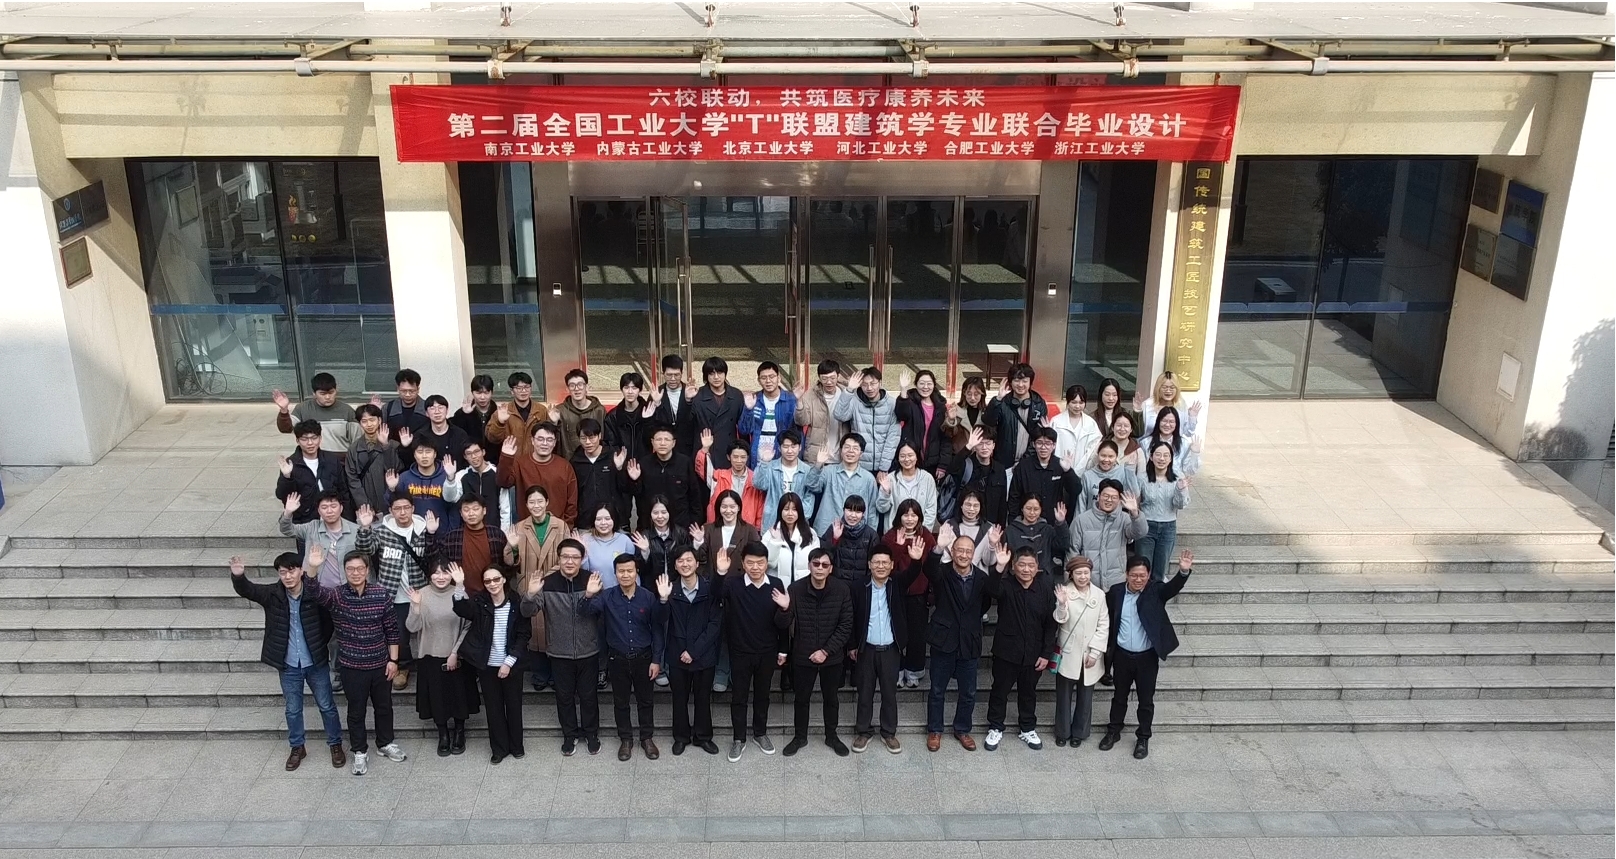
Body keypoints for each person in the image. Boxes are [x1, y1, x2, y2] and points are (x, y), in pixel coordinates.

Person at [229, 552, 344, 771]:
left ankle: (335, 744)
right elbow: (248, 590)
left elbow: (329, 622)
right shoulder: (272, 595)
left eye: (292, 571)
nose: (288, 576)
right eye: (283, 572)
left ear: (301, 571)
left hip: (315, 661)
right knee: (292, 709)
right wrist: (239, 576)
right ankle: (297, 747)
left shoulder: (314, 594)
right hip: (289, 663)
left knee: (327, 705)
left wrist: (319, 643)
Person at [303, 546, 406, 776]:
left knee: (384, 707)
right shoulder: (337, 596)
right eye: (351, 569)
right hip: (351, 666)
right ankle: (359, 750)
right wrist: (313, 567)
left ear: (367, 570)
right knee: (356, 711)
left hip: (380, 664)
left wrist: (394, 660)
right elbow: (313, 591)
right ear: (345, 571)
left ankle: (385, 743)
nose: (356, 573)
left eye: (360, 568)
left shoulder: (381, 594)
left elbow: (392, 629)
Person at [1101, 552, 1193, 760]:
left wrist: (1183, 572)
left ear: (1149, 575)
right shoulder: (1116, 592)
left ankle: (1143, 737)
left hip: (1146, 657)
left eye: (1142, 575)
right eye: (1134, 575)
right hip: (1122, 655)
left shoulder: (1155, 591)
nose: (1138, 579)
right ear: (1126, 574)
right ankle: (1113, 731)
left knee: (1146, 700)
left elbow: (1172, 588)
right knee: (1119, 697)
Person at [583, 553, 668, 761]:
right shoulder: (607, 596)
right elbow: (585, 612)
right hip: (617, 659)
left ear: (636, 571)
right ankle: (626, 739)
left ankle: (646, 738)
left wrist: (656, 660)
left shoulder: (648, 597)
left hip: (644, 658)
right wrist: (588, 595)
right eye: (621, 571)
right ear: (615, 573)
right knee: (620, 702)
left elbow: (658, 628)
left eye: (630, 570)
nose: (625, 574)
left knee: (646, 701)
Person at [451, 563, 538, 764]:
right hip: (487, 664)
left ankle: (516, 746)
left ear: (504, 579)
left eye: (496, 579)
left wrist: (509, 662)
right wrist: (460, 585)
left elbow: (523, 634)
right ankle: (499, 749)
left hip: (511, 663)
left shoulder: (516, 602)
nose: (492, 584)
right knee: (493, 707)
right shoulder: (480, 601)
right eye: (488, 581)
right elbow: (462, 609)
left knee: (514, 706)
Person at [849, 541, 925, 753]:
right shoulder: (859, 586)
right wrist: (852, 645)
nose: (880, 566)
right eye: (876, 562)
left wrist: (916, 559)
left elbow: (913, 573)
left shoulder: (897, 583)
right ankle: (863, 731)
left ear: (892, 565)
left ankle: (888, 732)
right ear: (869, 565)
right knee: (865, 693)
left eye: (885, 562)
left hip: (891, 649)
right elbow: (852, 617)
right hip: (866, 648)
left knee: (889, 694)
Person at [982, 545, 1058, 752]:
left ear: (1037, 567)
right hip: (1006, 651)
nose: (1026, 569)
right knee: (1000, 691)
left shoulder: (1045, 588)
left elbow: (1050, 624)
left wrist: (1046, 653)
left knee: (1028, 692)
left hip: (1034, 653)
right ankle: (995, 727)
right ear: (1014, 566)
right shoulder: (1005, 585)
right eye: (1021, 565)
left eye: (1030, 565)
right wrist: (999, 566)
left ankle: (1027, 728)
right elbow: (991, 590)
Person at [721, 541, 792, 762]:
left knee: (763, 695)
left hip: (767, 651)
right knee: (739, 697)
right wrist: (720, 573)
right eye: (750, 563)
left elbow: (783, 623)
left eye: (760, 563)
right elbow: (714, 595)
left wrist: (785, 609)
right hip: (740, 651)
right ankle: (738, 738)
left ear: (766, 563)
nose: (755, 567)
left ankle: (760, 733)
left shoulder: (776, 584)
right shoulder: (732, 584)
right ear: (743, 563)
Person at [534, 539, 602, 755]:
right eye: (565, 557)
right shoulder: (547, 583)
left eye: (575, 557)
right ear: (559, 558)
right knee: (564, 697)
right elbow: (528, 611)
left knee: (589, 696)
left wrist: (589, 595)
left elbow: (597, 611)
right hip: (559, 651)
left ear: (582, 559)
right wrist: (530, 594)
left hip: (588, 650)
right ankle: (569, 735)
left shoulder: (591, 580)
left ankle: (591, 734)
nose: (570, 561)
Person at [784, 547, 854, 757]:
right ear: (809, 566)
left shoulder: (841, 590)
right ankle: (800, 737)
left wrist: (825, 651)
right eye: (816, 564)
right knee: (801, 699)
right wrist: (784, 609)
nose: (820, 568)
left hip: (832, 656)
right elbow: (782, 624)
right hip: (803, 655)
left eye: (825, 565)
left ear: (831, 568)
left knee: (831, 698)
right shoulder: (795, 589)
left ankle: (831, 736)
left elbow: (846, 625)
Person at [926, 535, 991, 752]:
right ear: (952, 552)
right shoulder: (942, 573)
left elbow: (985, 604)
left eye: (968, 551)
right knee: (937, 690)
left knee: (969, 692)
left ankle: (962, 729)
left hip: (969, 641)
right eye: (959, 550)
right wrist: (938, 547)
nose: (963, 555)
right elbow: (929, 570)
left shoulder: (981, 578)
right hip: (943, 640)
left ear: (973, 554)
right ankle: (935, 730)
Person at [403, 561, 475, 757]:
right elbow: (412, 627)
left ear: (452, 575)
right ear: (429, 575)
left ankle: (459, 732)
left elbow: (468, 626)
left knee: (459, 696)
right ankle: (443, 734)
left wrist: (455, 652)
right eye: (436, 573)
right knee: (436, 698)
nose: (440, 577)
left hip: (456, 655)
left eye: (445, 573)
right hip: (430, 655)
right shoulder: (421, 594)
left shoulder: (459, 593)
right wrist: (415, 606)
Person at [502, 485, 567, 692]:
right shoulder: (520, 527)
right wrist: (512, 546)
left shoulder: (561, 526)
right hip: (527, 585)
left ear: (547, 502)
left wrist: (547, 576)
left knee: (554, 627)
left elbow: (567, 557)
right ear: (526, 504)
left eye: (540, 501)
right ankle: (540, 673)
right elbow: (509, 561)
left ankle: (556, 673)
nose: (536, 505)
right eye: (532, 502)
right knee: (534, 629)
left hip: (554, 584)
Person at [364, 492, 431, 691]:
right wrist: (365, 527)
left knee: (427, 631)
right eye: (397, 509)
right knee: (399, 635)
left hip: (421, 590)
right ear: (391, 511)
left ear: (413, 508)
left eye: (406, 508)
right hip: (394, 594)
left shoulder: (424, 530)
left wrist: (433, 534)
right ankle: (402, 667)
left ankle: (428, 666)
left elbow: (433, 556)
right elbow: (365, 549)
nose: (402, 512)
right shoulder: (383, 531)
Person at [660, 546, 722, 755]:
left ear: (697, 564)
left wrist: (694, 651)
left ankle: (703, 737)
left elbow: (715, 624)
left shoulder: (710, 589)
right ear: (675, 565)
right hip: (677, 654)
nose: (685, 564)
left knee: (703, 698)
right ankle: (681, 737)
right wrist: (662, 600)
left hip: (704, 654)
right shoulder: (669, 589)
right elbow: (660, 621)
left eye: (689, 560)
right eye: (680, 561)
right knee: (679, 698)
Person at [1052, 555, 1109, 748]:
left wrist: (1095, 652)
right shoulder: (1064, 591)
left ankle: (1080, 732)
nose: (1083, 577)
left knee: (1086, 697)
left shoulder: (1099, 595)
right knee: (1063, 696)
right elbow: (1060, 619)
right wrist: (1061, 604)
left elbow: (1103, 624)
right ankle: (1062, 732)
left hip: (1089, 653)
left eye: (1086, 573)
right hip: (1069, 652)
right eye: (1078, 573)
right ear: (1071, 575)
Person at [882, 500, 935, 689]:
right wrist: (897, 547)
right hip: (895, 594)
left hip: (919, 594)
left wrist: (930, 592)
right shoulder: (890, 536)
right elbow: (885, 567)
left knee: (917, 636)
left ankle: (914, 671)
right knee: (895, 633)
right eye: (906, 514)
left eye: (914, 515)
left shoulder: (926, 536)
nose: (910, 519)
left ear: (919, 517)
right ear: (899, 516)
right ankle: (896, 670)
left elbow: (932, 566)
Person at [279, 489, 373, 589]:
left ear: (341, 508)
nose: (329, 511)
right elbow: (287, 530)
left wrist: (366, 527)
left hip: (349, 589)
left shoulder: (356, 530)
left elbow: (368, 553)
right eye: (324, 507)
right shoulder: (312, 527)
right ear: (319, 511)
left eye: (333, 506)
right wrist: (288, 512)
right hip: (319, 589)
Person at [1069, 479, 1149, 591]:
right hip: (1088, 582)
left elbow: (1140, 532)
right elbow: (1072, 551)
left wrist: (1135, 513)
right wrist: (1071, 582)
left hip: (1116, 581)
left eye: (1114, 497)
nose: (1109, 500)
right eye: (1106, 496)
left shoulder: (1124, 518)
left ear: (1120, 500)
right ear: (1098, 496)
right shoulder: (1081, 520)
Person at [627, 424, 705, 532]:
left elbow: (695, 497)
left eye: (667, 439)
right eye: (658, 439)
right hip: (650, 525)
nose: (662, 443)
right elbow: (637, 495)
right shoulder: (644, 464)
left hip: (681, 525)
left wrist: (695, 524)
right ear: (652, 442)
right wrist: (635, 480)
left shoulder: (684, 463)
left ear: (673, 443)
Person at [497, 422, 578, 526]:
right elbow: (503, 482)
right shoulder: (520, 463)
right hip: (527, 527)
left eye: (549, 440)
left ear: (554, 443)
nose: (545, 443)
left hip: (557, 527)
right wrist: (506, 458)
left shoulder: (564, 466)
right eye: (540, 439)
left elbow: (572, 502)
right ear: (532, 440)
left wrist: (566, 526)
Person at [425, 495, 507, 595]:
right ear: (461, 513)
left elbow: (507, 566)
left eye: (475, 509)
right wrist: (431, 533)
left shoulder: (497, 535)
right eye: (466, 510)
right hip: (461, 593)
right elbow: (434, 560)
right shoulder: (452, 537)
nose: (471, 513)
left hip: (492, 592)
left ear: (484, 511)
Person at [1137, 441, 1191, 584]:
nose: (1162, 459)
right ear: (1151, 457)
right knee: (1143, 568)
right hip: (1146, 525)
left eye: (1166, 455)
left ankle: (1157, 596)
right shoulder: (1142, 477)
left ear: (1171, 458)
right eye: (1158, 455)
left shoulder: (1178, 477)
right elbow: (1136, 503)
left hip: (1168, 526)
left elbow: (1180, 505)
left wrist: (1180, 490)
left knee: (1160, 571)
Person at [812, 432, 888, 534]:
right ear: (841, 451)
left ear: (861, 454)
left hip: (857, 534)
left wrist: (870, 534)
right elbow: (812, 486)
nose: (850, 451)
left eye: (855, 448)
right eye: (847, 447)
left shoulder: (868, 478)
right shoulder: (828, 471)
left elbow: (872, 511)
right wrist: (818, 465)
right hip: (827, 529)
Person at [275, 420, 349, 524]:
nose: (310, 443)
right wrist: (287, 477)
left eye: (314, 438)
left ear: (320, 438)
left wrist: (347, 518)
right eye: (304, 439)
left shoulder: (332, 460)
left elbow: (343, 490)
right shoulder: (291, 464)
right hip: (304, 521)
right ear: (297, 440)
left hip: (332, 517)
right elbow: (281, 495)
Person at [833, 367, 900, 477]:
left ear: (880, 383)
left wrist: (884, 467)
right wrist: (849, 390)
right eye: (864, 384)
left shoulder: (891, 404)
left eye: (873, 384)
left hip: (885, 466)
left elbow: (893, 437)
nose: (869, 388)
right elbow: (840, 415)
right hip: (859, 465)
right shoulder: (855, 400)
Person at [1007, 426, 1078, 527]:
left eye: (1048, 443)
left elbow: (1076, 490)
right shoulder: (1023, 466)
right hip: (1028, 521)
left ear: (1054, 445)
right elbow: (1014, 496)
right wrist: (1014, 523)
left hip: (1053, 521)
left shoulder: (1060, 465)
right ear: (1034, 444)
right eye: (1039, 443)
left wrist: (1068, 471)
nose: (1043, 447)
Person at [273, 373, 360, 453]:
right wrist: (284, 410)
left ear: (336, 390)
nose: (328, 397)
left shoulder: (347, 411)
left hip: (340, 459)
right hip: (312, 458)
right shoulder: (302, 409)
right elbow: (286, 429)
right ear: (314, 393)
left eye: (331, 392)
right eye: (323, 393)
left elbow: (358, 440)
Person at [754, 428, 822, 530]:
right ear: (779, 448)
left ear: (800, 447)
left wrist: (795, 515)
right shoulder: (771, 467)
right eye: (785, 446)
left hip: (798, 524)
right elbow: (759, 484)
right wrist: (764, 462)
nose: (789, 451)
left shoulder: (807, 471)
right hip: (773, 522)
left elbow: (809, 500)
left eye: (793, 446)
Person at [983, 363, 1048, 469]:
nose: (1020, 385)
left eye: (1025, 381)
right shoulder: (1002, 402)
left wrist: (1024, 461)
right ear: (1010, 382)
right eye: (1016, 380)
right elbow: (988, 422)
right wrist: (998, 400)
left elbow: (1039, 436)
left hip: (1029, 463)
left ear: (1030, 382)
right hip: (1003, 462)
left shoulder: (1039, 404)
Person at [738, 361, 797, 467]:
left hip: (782, 454)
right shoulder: (754, 399)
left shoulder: (791, 399)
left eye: (772, 377)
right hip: (758, 455)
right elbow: (744, 430)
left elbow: (797, 431)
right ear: (759, 380)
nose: (768, 381)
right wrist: (748, 410)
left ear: (779, 378)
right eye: (764, 378)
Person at [697, 437, 765, 528]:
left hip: (746, 529)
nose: (739, 461)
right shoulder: (719, 476)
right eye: (735, 457)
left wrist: (757, 530)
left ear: (748, 458)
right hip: (720, 527)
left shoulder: (755, 480)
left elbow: (760, 508)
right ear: (728, 457)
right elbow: (703, 469)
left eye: (743, 457)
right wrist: (705, 449)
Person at [445, 439, 513, 531]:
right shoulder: (461, 475)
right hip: (468, 530)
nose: (473, 456)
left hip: (494, 530)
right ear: (465, 457)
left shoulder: (497, 474)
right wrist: (450, 479)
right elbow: (450, 498)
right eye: (469, 454)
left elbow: (505, 508)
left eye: (476, 452)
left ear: (483, 452)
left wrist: (504, 534)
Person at [346, 404, 401, 515]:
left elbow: (395, 469)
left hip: (390, 503)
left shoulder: (393, 445)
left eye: (372, 420)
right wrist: (364, 505)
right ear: (360, 423)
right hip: (366, 507)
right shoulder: (354, 449)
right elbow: (352, 479)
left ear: (379, 420)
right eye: (364, 421)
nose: (369, 424)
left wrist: (385, 446)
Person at [795, 359, 851, 465]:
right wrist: (799, 402)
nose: (829, 382)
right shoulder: (810, 395)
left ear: (838, 376)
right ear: (819, 378)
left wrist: (847, 383)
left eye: (832, 378)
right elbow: (802, 421)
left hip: (841, 457)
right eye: (824, 378)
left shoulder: (846, 394)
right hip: (816, 456)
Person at [485, 371, 552, 459]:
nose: (523, 391)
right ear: (512, 391)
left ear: (531, 388)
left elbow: (550, 438)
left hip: (536, 460)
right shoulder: (503, 411)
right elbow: (493, 439)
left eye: (526, 387)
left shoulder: (541, 410)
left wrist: (553, 422)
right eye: (519, 388)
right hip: (511, 460)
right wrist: (500, 423)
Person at [695, 489, 761, 577]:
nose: (728, 511)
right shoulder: (708, 529)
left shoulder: (749, 530)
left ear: (738, 508)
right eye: (724, 507)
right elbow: (699, 558)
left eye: (732, 507)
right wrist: (698, 542)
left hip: (740, 580)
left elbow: (756, 555)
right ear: (719, 508)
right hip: (713, 580)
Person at [895, 369, 949, 475]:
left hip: (933, 462)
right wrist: (903, 390)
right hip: (911, 459)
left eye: (929, 383)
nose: (925, 387)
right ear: (916, 384)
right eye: (922, 383)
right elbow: (901, 414)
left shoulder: (940, 407)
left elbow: (945, 438)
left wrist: (943, 465)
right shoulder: (910, 401)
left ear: (934, 385)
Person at [951, 427, 1009, 526]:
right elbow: (952, 469)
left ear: (993, 445)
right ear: (974, 446)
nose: (984, 447)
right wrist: (968, 447)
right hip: (967, 522)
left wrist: (1001, 527)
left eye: (988, 443)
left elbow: (1002, 503)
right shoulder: (966, 464)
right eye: (980, 443)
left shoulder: (999, 469)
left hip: (990, 524)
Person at [393, 441, 457, 527]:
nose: (424, 456)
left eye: (428, 451)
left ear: (435, 454)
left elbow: (453, 503)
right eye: (420, 452)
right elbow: (392, 504)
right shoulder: (404, 477)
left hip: (442, 529)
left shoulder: (447, 476)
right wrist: (392, 488)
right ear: (414, 455)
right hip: (413, 530)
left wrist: (451, 529)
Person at [692, 356, 746, 454]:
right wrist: (688, 401)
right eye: (711, 373)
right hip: (706, 448)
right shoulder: (698, 395)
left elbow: (743, 427)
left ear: (725, 374)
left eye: (720, 373)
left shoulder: (736, 395)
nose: (716, 377)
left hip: (729, 449)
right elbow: (688, 424)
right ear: (706, 376)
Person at [763, 493, 820, 586]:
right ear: (780, 511)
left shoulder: (810, 533)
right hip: (778, 587)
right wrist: (774, 542)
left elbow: (816, 561)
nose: (790, 513)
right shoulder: (771, 533)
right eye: (786, 509)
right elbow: (768, 563)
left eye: (794, 509)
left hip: (804, 587)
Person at [822, 494, 881, 583]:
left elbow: (875, 563)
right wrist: (835, 539)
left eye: (858, 512)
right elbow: (823, 556)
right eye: (850, 510)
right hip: (837, 583)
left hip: (861, 585)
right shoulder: (834, 529)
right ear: (844, 510)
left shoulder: (871, 535)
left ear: (863, 514)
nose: (853, 515)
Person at [1005, 495, 1066, 579]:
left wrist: (1061, 523)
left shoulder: (1047, 529)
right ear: (1022, 509)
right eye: (1028, 508)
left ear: (1041, 510)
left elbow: (1062, 545)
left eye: (1036, 509)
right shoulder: (1010, 531)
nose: (1032, 512)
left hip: (1043, 578)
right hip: (1017, 579)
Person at [649, 355, 698, 457]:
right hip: (664, 448)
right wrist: (657, 404)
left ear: (682, 373)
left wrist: (688, 401)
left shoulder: (691, 391)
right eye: (669, 375)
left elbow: (694, 420)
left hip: (687, 447)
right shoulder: (656, 393)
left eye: (676, 375)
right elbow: (652, 424)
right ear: (663, 374)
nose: (673, 379)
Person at [405, 394, 472, 466]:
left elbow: (467, 458)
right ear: (426, 413)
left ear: (447, 410)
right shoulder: (420, 435)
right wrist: (405, 446)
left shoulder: (460, 434)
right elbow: (412, 460)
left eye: (440, 407)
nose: (437, 412)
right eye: (432, 408)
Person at [885, 442, 939, 531]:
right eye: (902, 456)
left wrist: (923, 532)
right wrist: (885, 493)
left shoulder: (927, 478)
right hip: (895, 532)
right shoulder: (890, 478)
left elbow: (931, 509)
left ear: (917, 456)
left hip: (920, 533)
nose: (906, 459)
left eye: (910, 455)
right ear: (898, 458)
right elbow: (882, 508)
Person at [556, 368, 607, 460]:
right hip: (570, 461)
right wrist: (552, 423)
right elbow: (554, 441)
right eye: (572, 385)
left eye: (580, 385)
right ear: (567, 389)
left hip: (595, 461)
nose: (576, 389)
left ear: (587, 387)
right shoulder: (560, 411)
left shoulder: (599, 410)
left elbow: (605, 438)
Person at [1137, 371, 1202, 442]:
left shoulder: (1181, 405)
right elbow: (1138, 432)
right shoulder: (1147, 405)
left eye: (1172, 387)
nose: (1168, 391)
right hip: (1150, 446)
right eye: (1164, 387)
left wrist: (1192, 417)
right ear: (1158, 388)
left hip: (1174, 446)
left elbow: (1188, 433)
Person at [1051, 384, 1103, 474]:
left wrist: (1080, 470)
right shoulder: (1056, 422)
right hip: (1058, 471)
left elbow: (1093, 451)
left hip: (1083, 472)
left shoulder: (1091, 424)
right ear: (1067, 402)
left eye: (1081, 402)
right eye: (1074, 402)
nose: (1077, 406)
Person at [1142, 406, 1203, 479]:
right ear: (1158, 422)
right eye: (1164, 421)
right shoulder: (1145, 443)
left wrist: (1195, 454)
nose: (1167, 425)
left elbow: (1190, 471)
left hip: (1176, 483)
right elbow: (1141, 470)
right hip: (1151, 482)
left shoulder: (1184, 444)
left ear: (1176, 424)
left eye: (1171, 422)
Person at [1079, 440, 1141, 513]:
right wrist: (1080, 519)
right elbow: (1081, 502)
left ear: (1116, 457)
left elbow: (1134, 495)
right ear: (1098, 455)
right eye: (1103, 456)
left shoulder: (1123, 472)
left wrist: (1130, 471)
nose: (1106, 460)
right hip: (1092, 518)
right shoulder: (1088, 475)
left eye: (1111, 456)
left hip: (1116, 518)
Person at [604, 372, 654, 458]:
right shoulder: (612, 417)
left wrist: (647, 421)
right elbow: (611, 444)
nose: (630, 392)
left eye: (634, 388)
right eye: (626, 388)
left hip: (645, 462)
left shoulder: (649, 412)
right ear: (621, 389)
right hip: (622, 462)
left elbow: (653, 440)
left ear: (640, 390)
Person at [579, 503, 635, 578]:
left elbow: (632, 570)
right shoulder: (585, 539)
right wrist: (582, 550)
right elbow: (582, 571)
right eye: (598, 519)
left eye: (607, 519)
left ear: (614, 519)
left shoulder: (625, 540)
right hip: (594, 585)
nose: (603, 523)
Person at [378, 368, 430, 436]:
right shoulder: (388, 408)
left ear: (418, 389)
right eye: (404, 391)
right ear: (398, 389)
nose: (407, 395)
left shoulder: (427, 407)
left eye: (411, 391)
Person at [450, 374, 498, 441]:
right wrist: (463, 414)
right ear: (472, 393)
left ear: (492, 393)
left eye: (486, 393)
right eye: (478, 393)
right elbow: (454, 433)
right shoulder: (461, 413)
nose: (482, 397)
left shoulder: (498, 413)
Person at [1092, 378, 1137, 443]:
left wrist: (1137, 411)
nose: (1111, 398)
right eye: (1107, 394)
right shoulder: (1092, 417)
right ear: (1101, 395)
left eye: (1114, 395)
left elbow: (1137, 433)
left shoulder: (1127, 413)